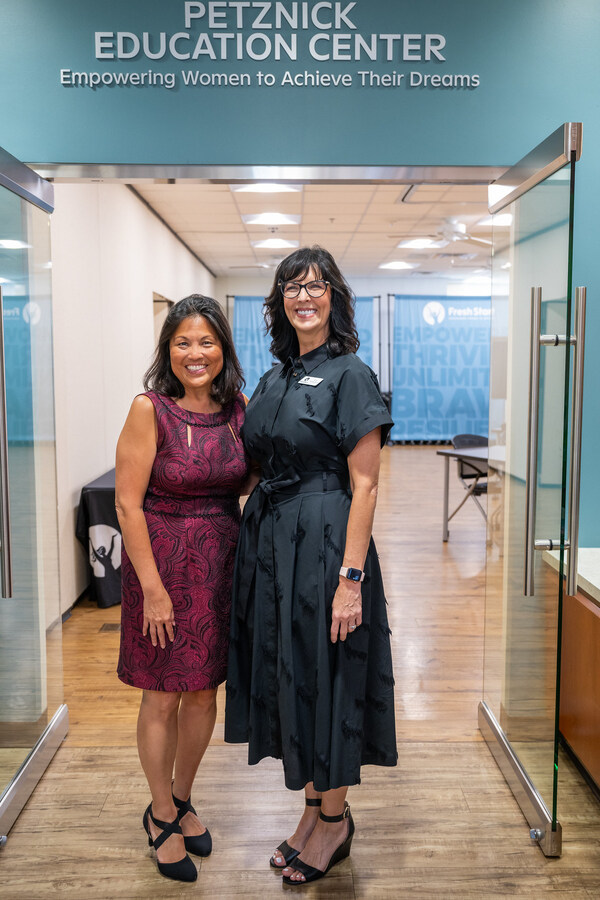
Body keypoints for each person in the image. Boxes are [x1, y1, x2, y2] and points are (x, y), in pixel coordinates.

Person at [225, 246, 397, 885]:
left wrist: (350, 580)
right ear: (278, 304)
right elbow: (255, 466)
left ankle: (335, 821)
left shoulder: (351, 373)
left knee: (329, 674)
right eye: (293, 287)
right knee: (292, 673)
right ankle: (311, 811)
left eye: (316, 286)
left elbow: (367, 485)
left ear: (334, 298)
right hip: (275, 544)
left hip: (326, 544)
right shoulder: (274, 379)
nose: (305, 296)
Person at [116, 295, 248, 883]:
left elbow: (250, 479)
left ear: (223, 347)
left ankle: (184, 796)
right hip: (161, 566)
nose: (195, 354)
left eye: (206, 342)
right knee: (162, 694)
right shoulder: (150, 409)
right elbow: (126, 502)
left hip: (220, 565)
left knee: (202, 693)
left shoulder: (237, 409)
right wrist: (152, 587)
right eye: (182, 343)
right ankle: (159, 813)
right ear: (168, 350)